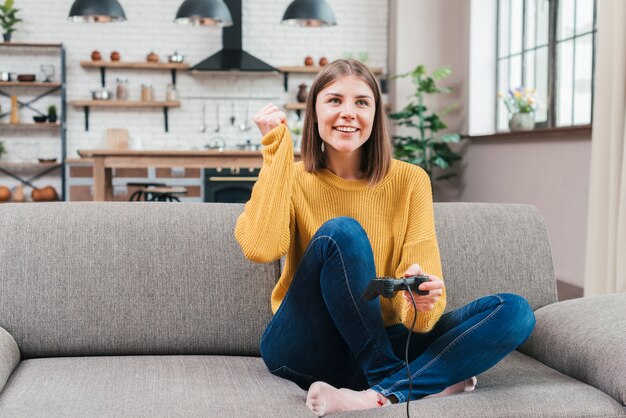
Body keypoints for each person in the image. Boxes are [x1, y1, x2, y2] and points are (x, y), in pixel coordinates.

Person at [234, 59, 535, 416]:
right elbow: (260, 247)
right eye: (334, 100)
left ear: (376, 116)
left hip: (386, 334)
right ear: (314, 111)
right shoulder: (295, 177)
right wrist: (275, 152)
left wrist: (422, 300)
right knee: (341, 232)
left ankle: (377, 395)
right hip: (306, 346)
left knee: (514, 311)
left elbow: (422, 315)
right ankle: (405, 381)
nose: (348, 112)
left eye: (362, 102)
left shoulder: (411, 180)